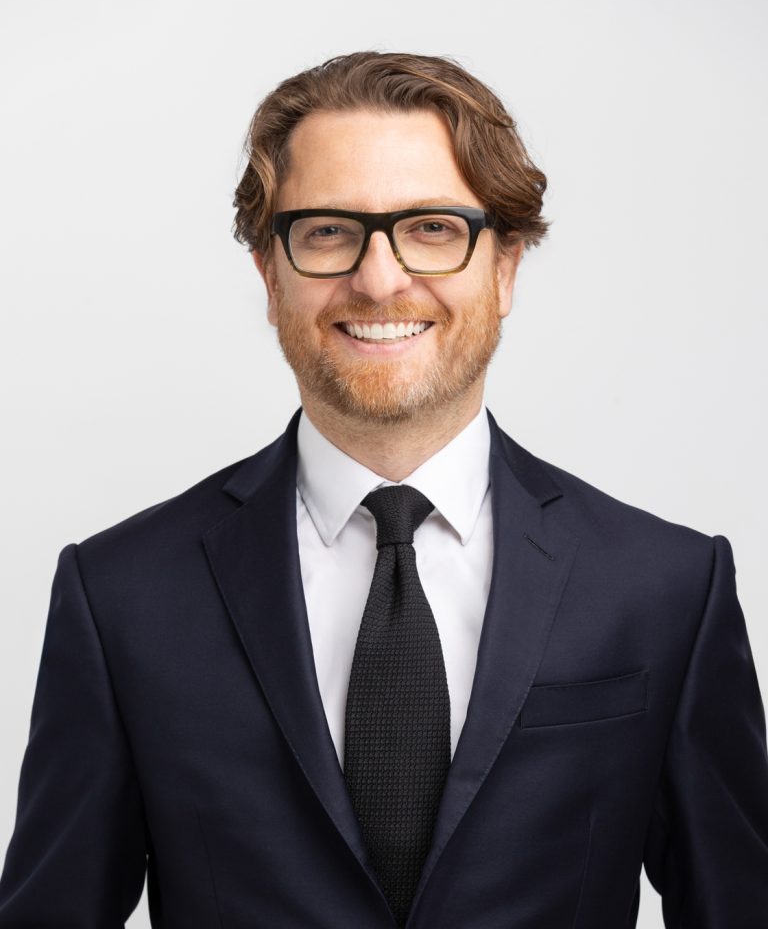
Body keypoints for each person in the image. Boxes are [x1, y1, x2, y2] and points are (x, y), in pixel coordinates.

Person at [0, 51, 766, 929]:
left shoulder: (665, 588)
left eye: (432, 227)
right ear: (270, 275)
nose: (379, 278)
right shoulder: (122, 596)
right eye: (328, 231)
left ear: (506, 267)